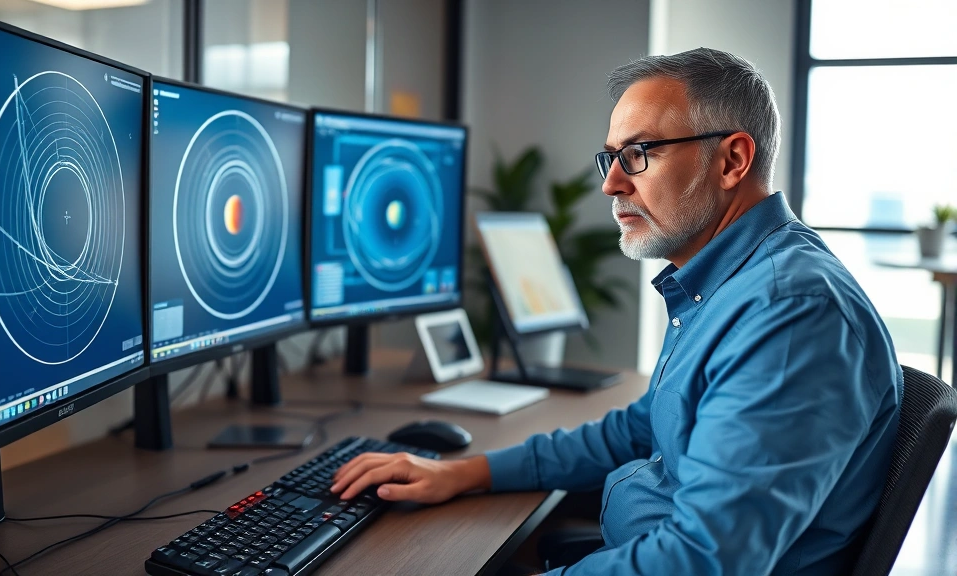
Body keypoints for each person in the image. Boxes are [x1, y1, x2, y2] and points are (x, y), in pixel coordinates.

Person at [330, 47, 903, 576]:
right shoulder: (728, 284)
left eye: (639, 154)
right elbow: (638, 428)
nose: (610, 183)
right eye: (610, 155)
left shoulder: (790, 315)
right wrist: (463, 471)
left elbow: (702, 562)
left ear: (732, 160)